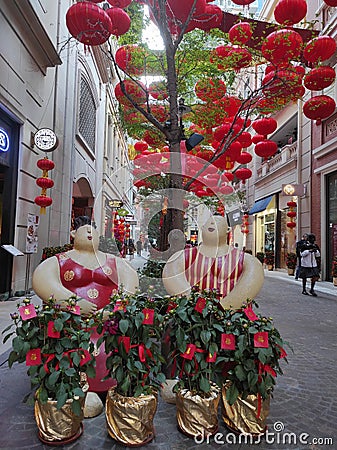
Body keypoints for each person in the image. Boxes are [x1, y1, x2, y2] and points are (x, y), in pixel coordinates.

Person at [32, 216, 139, 393]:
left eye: (93, 230)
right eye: (85, 230)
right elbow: (42, 280)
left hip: (107, 325)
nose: (90, 232)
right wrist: (73, 303)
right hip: (73, 325)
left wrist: (112, 309)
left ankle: (113, 386)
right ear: (73, 233)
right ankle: (73, 389)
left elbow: (130, 284)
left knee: (110, 349)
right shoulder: (60, 260)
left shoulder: (114, 261)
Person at [162, 215, 264, 309]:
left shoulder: (245, 259)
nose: (212, 224)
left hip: (230, 319)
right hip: (191, 316)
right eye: (210, 222)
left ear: (228, 230)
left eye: (217, 222)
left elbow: (250, 283)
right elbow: (171, 277)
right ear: (202, 228)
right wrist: (192, 303)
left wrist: (224, 308)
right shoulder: (183, 256)